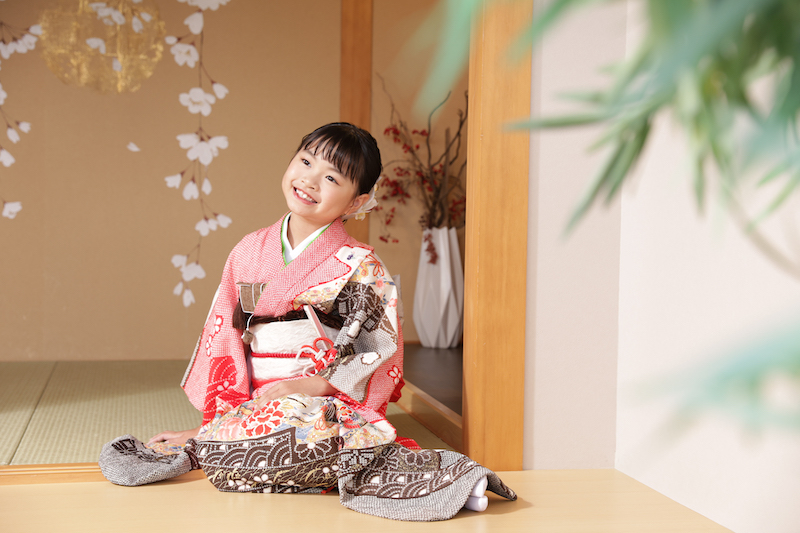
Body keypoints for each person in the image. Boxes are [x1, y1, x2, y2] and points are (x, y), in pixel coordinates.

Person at [100, 123, 515, 521]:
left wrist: (312, 385)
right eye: (305, 161)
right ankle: (226, 439)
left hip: (320, 403)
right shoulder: (248, 250)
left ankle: (441, 479)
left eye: (332, 178)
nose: (310, 180)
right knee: (246, 440)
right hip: (255, 404)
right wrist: (214, 421)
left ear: (356, 202)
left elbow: (378, 350)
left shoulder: (360, 265)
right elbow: (225, 336)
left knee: (299, 435)